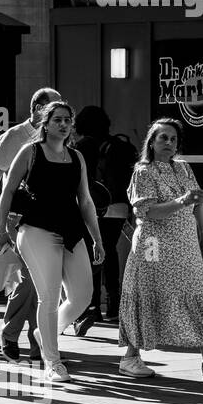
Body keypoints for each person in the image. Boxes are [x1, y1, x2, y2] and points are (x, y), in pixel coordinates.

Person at [116, 118, 203, 380]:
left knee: (195, 292)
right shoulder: (144, 171)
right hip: (154, 245)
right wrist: (182, 200)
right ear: (151, 141)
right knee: (146, 292)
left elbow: (198, 203)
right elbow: (148, 211)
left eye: (173, 139)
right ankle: (130, 357)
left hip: (184, 244)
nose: (169, 143)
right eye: (163, 138)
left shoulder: (183, 168)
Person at [0, 100, 103, 384]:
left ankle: (45, 333)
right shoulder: (30, 152)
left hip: (71, 230)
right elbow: (7, 192)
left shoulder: (76, 157)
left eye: (67, 120)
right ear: (46, 123)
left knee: (82, 296)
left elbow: (86, 200)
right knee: (49, 297)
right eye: (57, 120)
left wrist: (97, 239)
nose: (63, 124)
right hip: (36, 229)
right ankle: (53, 362)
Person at [0, 86, 62, 362]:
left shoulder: (60, 139)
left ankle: (35, 342)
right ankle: (12, 333)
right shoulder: (14, 136)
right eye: (54, 108)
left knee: (45, 282)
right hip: (18, 219)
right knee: (30, 281)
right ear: (37, 109)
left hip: (50, 218)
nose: (61, 116)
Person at [72, 105, 134, 324]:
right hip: (117, 207)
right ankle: (115, 305)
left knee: (92, 254)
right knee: (110, 252)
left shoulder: (80, 146)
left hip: (91, 206)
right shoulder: (120, 145)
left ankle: (93, 306)